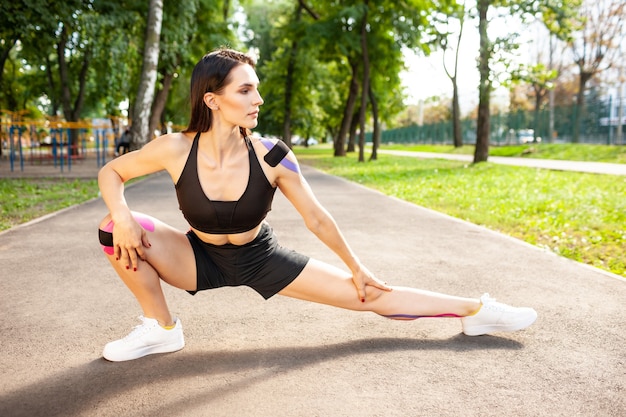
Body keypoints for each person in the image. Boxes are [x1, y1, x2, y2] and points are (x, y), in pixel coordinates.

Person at [97, 48, 537, 362]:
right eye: (246, 90)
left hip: (259, 259)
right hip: (197, 258)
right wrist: (123, 216)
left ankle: (476, 310)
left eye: (257, 90)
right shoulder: (175, 148)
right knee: (113, 228)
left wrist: (357, 267)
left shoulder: (273, 154)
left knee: (370, 298)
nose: (258, 100)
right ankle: (162, 329)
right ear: (213, 99)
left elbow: (316, 218)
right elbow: (111, 172)